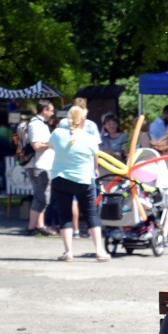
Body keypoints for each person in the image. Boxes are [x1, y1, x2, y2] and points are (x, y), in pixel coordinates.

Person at [48, 105, 110, 262]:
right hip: (83, 179)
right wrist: (95, 170)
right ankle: (99, 251)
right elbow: (95, 157)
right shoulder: (90, 138)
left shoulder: (57, 134)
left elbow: (52, 147)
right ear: (84, 120)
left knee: (65, 214)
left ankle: (68, 252)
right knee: (91, 214)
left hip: (60, 178)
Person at [25, 100, 57, 236]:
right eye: (51, 110)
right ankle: (32, 227)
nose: (53, 113)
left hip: (43, 164)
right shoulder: (35, 124)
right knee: (41, 197)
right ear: (44, 110)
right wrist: (50, 144)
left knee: (43, 197)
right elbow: (36, 146)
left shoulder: (41, 124)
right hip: (38, 165)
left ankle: (40, 226)